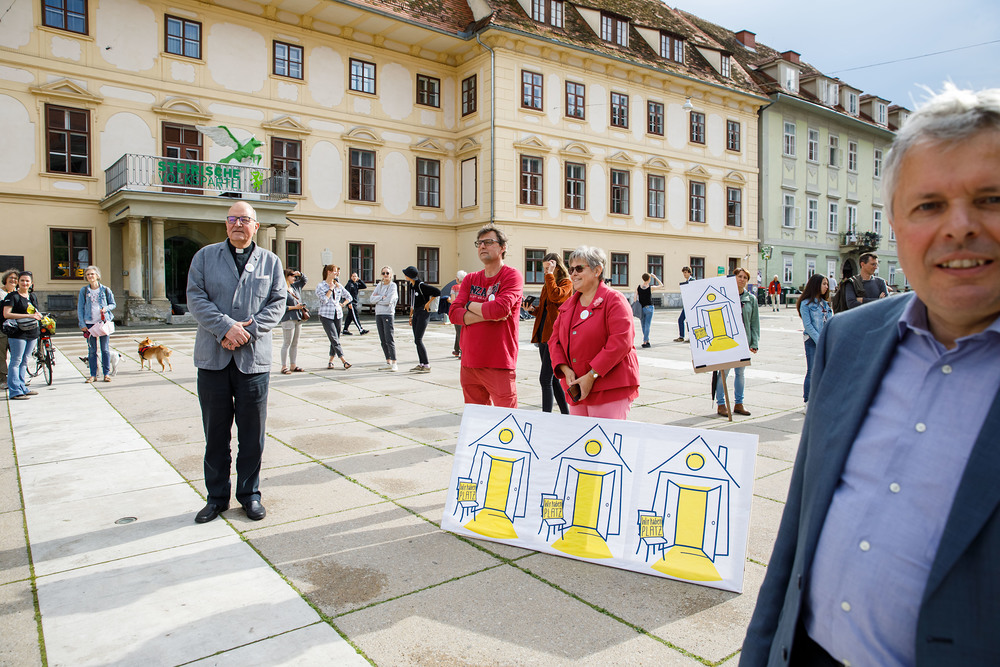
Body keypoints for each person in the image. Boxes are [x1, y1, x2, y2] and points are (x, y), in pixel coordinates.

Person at [741, 85, 1000, 666]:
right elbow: (795, 535)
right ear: (895, 226)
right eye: (928, 205)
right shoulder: (850, 337)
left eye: (990, 199)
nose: (959, 227)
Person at [186, 202, 285, 523]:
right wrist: (225, 328)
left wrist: (247, 332)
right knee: (215, 435)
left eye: (244, 219)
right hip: (212, 359)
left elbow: (277, 303)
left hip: (252, 362)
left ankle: (249, 494)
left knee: (252, 435)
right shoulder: (204, 257)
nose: (237, 224)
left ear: (256, 225)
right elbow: (195, 297)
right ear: (226, 224)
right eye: (232, 219)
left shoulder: (271, 261)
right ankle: (216, 498)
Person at [548, 246, 639, 419]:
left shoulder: (614, 300)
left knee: (604, 435)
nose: (573, 274)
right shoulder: (568, 306)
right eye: (571, 269)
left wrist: (591, 375)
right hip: (577, 388)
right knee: (580, 435)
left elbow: (621, 342)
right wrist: (565, 369)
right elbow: (554, 341)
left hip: (609, 387)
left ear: (597, 270)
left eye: (579, 268)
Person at [448, 224, 524, 406]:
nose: (482, 246)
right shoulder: (471, 278)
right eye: (479, 243)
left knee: (506, 419)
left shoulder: (512, 276)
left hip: (498, 362)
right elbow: (453, 314)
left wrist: (468, 305)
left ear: (503, 247)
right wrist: (487, 313)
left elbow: (499, 310)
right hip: (469, 363)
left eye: (489, 242)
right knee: (476, 419)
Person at [527, 253, 572, 413]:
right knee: (552, 379)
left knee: (545, 379)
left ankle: (546, 416)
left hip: (554, 335)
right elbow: (545, 309)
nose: (545, 271)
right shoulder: (548, 282)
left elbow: (556, 297)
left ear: (557, 266)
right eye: (545, 268)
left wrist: (550, 275)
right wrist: (532, 309)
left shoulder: (566, 283)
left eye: (548, 267)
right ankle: (565, 414)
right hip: (543, 333)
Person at [715, 268, 759, 417]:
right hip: (727, 342)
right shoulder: (725, 296)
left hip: (743, 342)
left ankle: (739, 404)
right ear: (733, 278)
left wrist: (754, 342)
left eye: (745, 277)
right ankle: (721, 404)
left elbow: (754, 323)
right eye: (739, 276)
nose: (742, 279)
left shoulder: (751, 299)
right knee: (724, 373)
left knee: (740, 373)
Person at [3, 271, 42, 401]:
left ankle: (22, 387)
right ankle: (15, 391)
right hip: (17, 333)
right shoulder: (12, 296)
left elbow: (35, 312)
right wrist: (29, 316)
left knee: (25, 360)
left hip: (32, 332)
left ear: (31, 283)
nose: (25, 283)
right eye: (22, 280)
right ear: (18, 282)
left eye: (27, 281)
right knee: (16, 361)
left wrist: (38, 316)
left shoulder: (32, 296)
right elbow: (6, 314)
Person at [796, 273, 832, 407]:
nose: (826, 287)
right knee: (811, 371)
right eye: (824, 284)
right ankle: (807, 401)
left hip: (825, 341)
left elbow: (830, 322)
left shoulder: (825, 304)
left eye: (827, 284)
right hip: (812, 341)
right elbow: (808, 325)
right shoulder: (806, 304)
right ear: (816, 285)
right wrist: (819, 340)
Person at [77, 266, 117, 383]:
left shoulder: (105, 290)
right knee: (92, 351)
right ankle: (93, 375)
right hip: (89, 324)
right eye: (88, 274)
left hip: (103, 323)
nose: (90, 276)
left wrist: (106, 308)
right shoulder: (84, 291)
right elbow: (80, 308)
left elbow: (113, 304)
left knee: (105, 349)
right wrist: (82, 323)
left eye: (92, 274)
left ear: (97, 276)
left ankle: (106, 374)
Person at [402, 265, 441, 373]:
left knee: (418, 339)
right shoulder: (412, 285)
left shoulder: (421, 285)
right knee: (416, 340)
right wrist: (410, 316)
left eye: (406, 274)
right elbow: (413, 302)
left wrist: (428, 303)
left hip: (423, 313)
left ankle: (426, 365)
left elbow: (437, 292)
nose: (405, 276)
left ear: (410, 276)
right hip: (416, 313)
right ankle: (421, 364)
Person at [315, 265, 352, 370]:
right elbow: (324, 300)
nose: (337, 273)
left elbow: (349, 297)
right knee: (333, 337)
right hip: (326, 315)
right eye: (335, 271)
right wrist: (330, 289)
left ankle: (331, 361)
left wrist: (343, 304)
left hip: (338, 314)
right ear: (329, 272)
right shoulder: (321, 286)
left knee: (336, 338)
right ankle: (343, 360)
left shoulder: (338, 285)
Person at [369, 266, 399, 371]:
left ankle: (394, 362)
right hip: (378, 314)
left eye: (387, 273)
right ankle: (388, 361)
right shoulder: (379, 285)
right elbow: (371, 299)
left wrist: (378, 300)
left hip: (388, 314)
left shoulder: (393, 286)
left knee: (389, 338)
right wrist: (381, 297)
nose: (385, 275)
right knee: (382, 339)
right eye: (383, 273)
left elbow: (389, 301)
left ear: (391, 275)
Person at [279, 269, 307, 374]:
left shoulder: (295, 287)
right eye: (292, 276)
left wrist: (300, 274)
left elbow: (304, 280)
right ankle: (284, 366)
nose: (294, 278)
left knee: (295, 343)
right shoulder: (281, 289)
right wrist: (295, 307)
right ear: (286, 277)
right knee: (287, 343)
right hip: (288, 318)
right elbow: (280, 307)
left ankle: (293, 365)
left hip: (298, 318)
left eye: (295, 276)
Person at [0, 269, 19, 391]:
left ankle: (15, 379)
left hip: (16, 329)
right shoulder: (0, 293)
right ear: (5, 279)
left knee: (16, 355)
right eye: (11, 278)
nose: (13, 280)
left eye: (15, 278)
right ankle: (3, 379)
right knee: (1, 356)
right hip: (1, 329)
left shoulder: (18, 293)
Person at [636, 272, 664, 348]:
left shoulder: (638, 287)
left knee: (643, 325)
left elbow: (635, 298)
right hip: (649, 308)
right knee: (647, 325)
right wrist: (655, 277)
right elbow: (661, 285)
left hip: (641, 308)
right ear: (649, 279)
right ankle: (645, 341)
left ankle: (647, 340)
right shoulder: (650, 287)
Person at [341, 271, 369, 336]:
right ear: (351, 277)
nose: (354, 278)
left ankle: (345, 330)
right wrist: (349, 303)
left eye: (355, 276)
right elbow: (346, 294)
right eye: (353, 276)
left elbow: (364, 286)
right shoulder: (349, 284)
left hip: (355, 302)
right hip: (351, 303)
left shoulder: (356, 284)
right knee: (355, 316)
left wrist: (359, 280)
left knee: (350, 317)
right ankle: (361, 329)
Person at [448, 270, 467, 358]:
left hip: (457, 311)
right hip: (466, 311)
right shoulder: (467, 287)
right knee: (459, 331)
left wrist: (448, 300)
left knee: (459, 332)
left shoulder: (454, 287)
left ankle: (462, 352)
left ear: (458, 279)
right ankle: (456, 349)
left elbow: (453, 301)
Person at [675, 266, 692, 342]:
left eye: (685, 272)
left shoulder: (692, 281)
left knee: (689, 321)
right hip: (686, 304)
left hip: (690, 304)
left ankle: (691, 337)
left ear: (689, 273)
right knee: (681, 319)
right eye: (683, 273)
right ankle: (681, 336)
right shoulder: (686, 282)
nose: (684, 274)